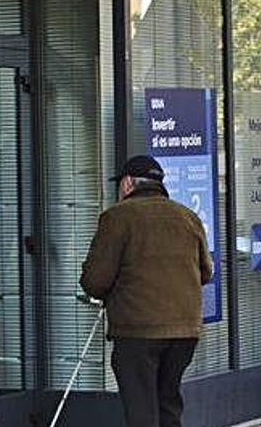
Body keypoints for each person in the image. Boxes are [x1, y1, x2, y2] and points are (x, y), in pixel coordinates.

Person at [80, 155, 213, 427]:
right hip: (184, 331)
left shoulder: (117, 217)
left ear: (128, 183)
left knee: (141, 410)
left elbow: (96, 279)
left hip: (138, 332)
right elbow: (206, 271)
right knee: (169, 406)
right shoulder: (188, 217)